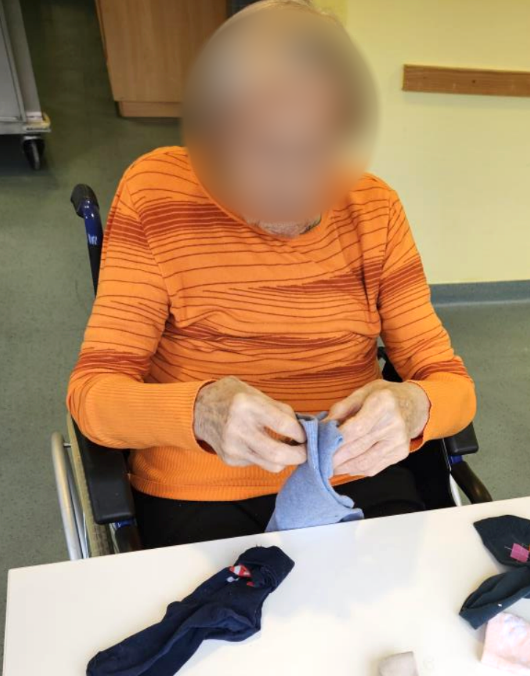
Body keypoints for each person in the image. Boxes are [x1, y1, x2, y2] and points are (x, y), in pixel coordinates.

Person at [67, 0, 475, 548]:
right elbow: (93, 396)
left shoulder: (376, 209)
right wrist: (200, 413)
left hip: (353, 473)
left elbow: (453, 386)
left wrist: (413, 406)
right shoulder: (154, 193)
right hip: (200, 486)